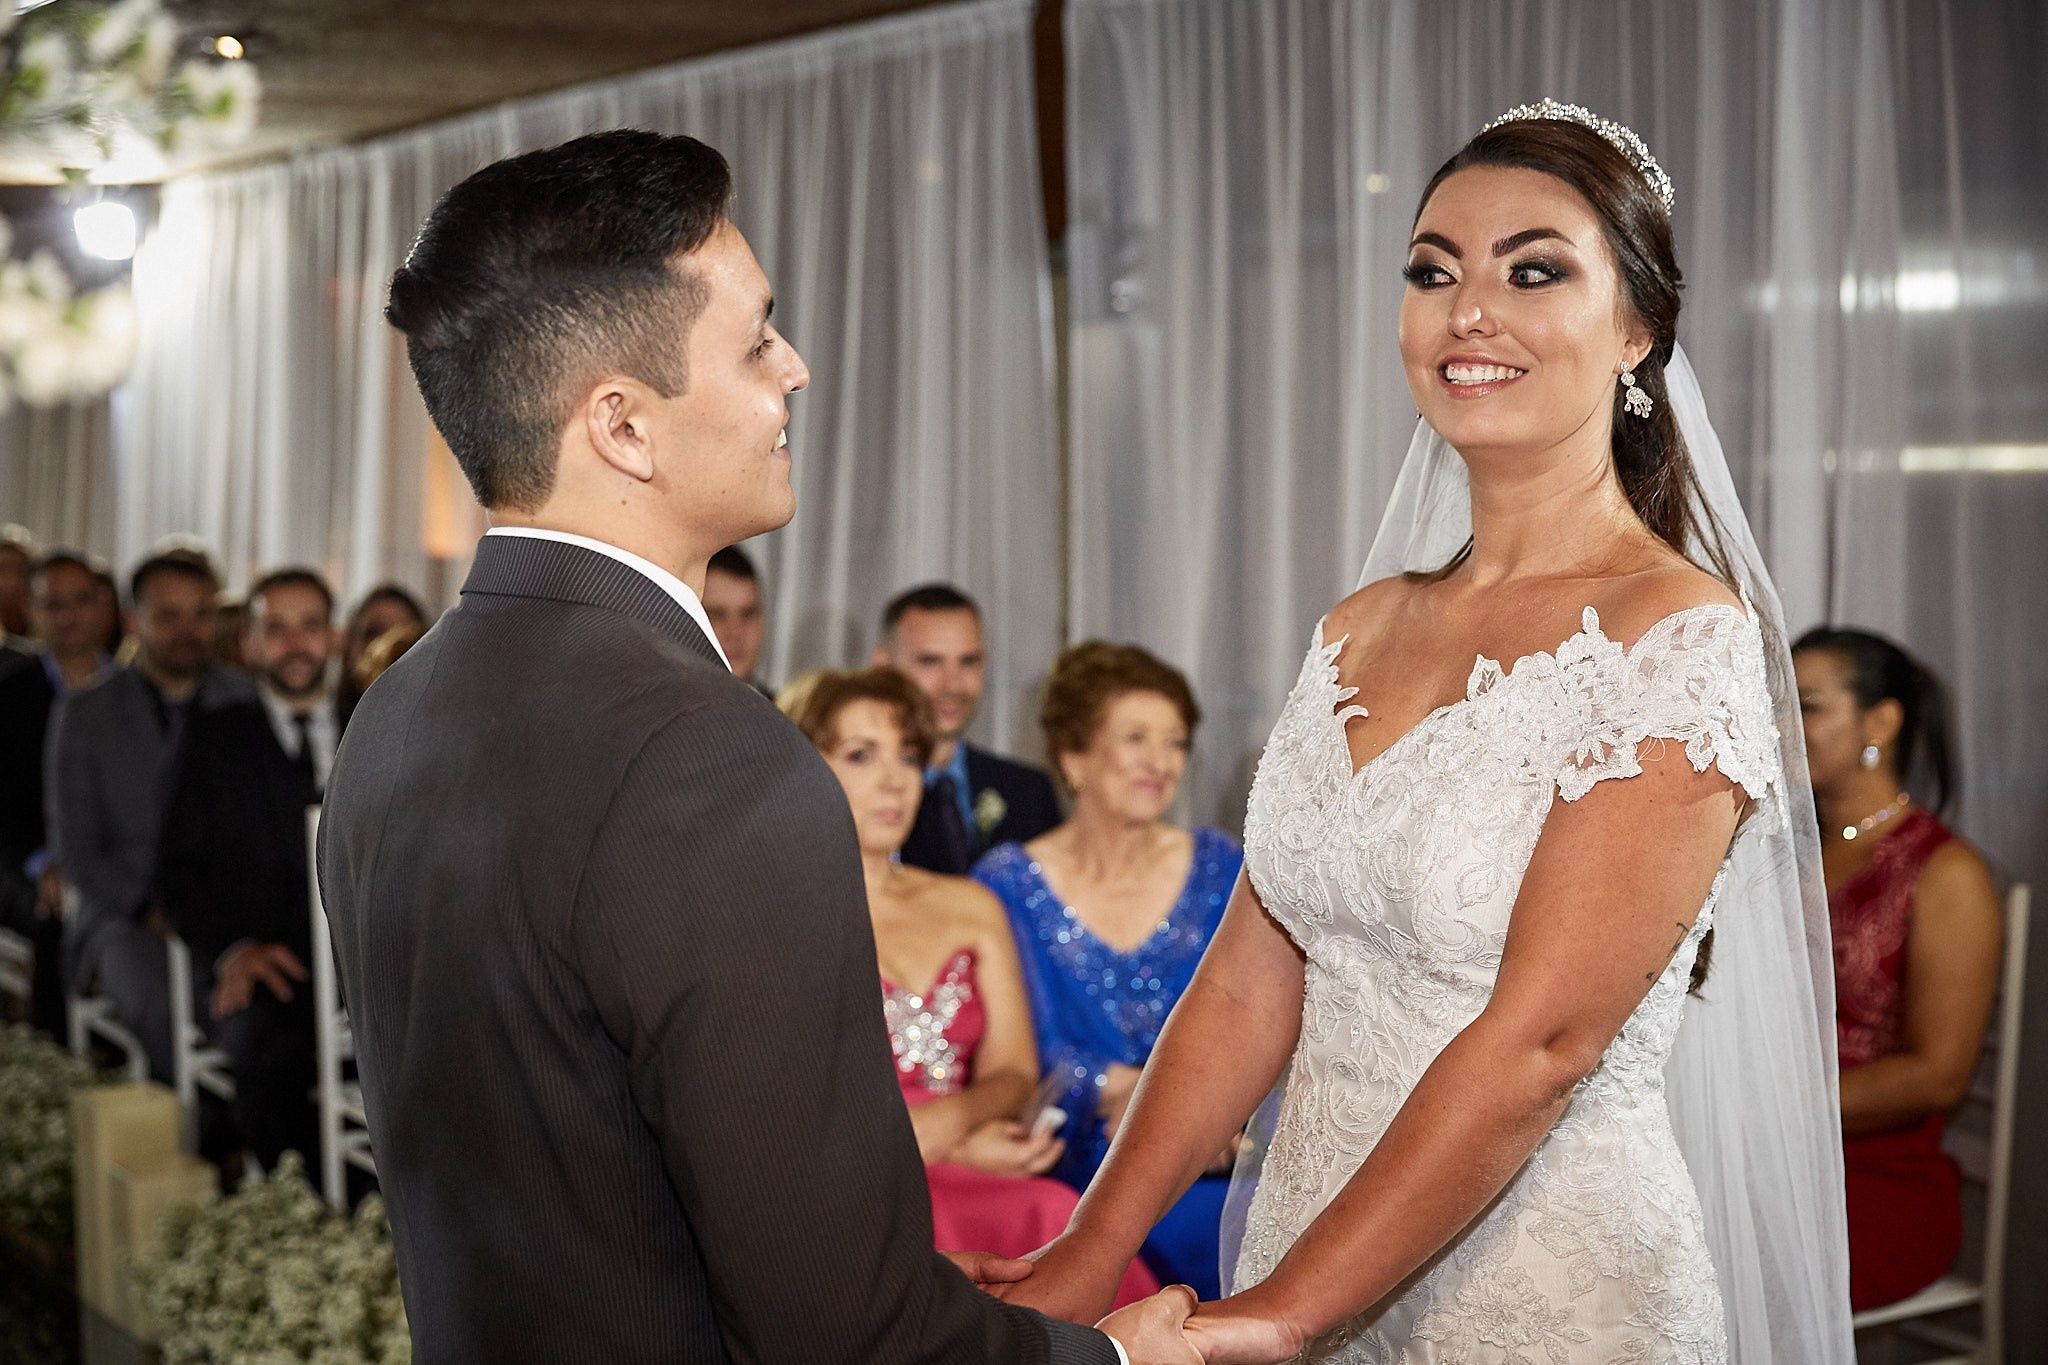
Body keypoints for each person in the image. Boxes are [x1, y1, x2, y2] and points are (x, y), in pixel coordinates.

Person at [1003, 104, 1854, 1364]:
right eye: (1431, 270)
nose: (1468, 310)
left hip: (1541, 1291)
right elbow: (1248, 977)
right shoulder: (1357, 628)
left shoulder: (1676, 640)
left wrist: (1280, 1318)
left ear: (1636, 330)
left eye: (1534, 269)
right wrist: (1081, 1255)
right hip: (1304, 1237)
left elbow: (1543, 1042)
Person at [318, 130, 1181, 1361]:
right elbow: (849, 1337)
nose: (797, 370)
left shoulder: (399, 711)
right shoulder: (709, 761)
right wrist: (1112, 1357)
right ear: (623, 427)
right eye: (756, 337)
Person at [782, 665, 1159, 1307]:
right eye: (860, 755)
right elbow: (778, 1093)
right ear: (803, 765)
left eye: (906, 755)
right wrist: (920, 1144)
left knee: (1057, 1218)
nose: (893, 779)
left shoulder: (969, 905)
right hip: (839, 1175)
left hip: (967, 1156)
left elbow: (1014, 1072)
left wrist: (951, 1128)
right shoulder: (773, 911)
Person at [974, 642, 1241, 1299]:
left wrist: (1208, 1118)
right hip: (1074, 1159)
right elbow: (1019, 1049)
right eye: (1135, 737)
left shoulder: (1224, 868)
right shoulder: (1006, 881)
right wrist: (1117, 1087)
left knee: (1254, 1223)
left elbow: (1261, 1022)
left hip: (1213, 1155)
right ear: (1074, 756)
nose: (1160, 760)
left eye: (1175, 742)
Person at [1792, 628, 2000, 1311]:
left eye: (1807, 704)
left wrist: (1778, 1111)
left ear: (1879, 721)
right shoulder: (1781, 856)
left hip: (1878, 1179)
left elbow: (1939, 1074)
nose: (1781, 724)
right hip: (1772, 1157)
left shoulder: (1947, 873)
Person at [158, 567, 344, 1176]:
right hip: (269, 971)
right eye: (277, 628)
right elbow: (176, 872)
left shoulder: (379, 722)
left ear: (334, 637)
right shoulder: (211, 739)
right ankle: (299, 1222)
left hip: (371, 969)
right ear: (250, 645)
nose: (295, 643)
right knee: (268, 1063)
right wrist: (234, 950)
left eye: (310, 625)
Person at [47, 549, 254, 1081]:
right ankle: (200, 1129)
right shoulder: (85, 713)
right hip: (125, 913)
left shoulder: (243, 698)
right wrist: (147, 908)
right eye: (169, 615)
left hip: (222, 906)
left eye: (201, 614)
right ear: (134, 621)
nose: (188, 630)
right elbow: (76, 850)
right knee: (157, 1000)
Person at [0, 550, 115, 1035]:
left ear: (103, 606)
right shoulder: (9, 697)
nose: (70, 616)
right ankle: (61, 1059)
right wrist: (42, 862)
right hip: (23, 858)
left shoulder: (136, 691)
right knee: (57, 918)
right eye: (54, 604)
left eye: (81, 601)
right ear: (31, 611)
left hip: (118, 857)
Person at [876, 584, 1062, 875]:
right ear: (883, 668)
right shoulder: (863, 790)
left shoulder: (1029, 791)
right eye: (930, 661)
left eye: (968, 662)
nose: (952, 685)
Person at [335, 583, 428, 717]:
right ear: (349, 645)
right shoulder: (321, 728)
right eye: (372, 634)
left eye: (401, 641)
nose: (384, 650)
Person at [703, 543, 770, 693]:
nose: (735, 633)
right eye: (716, 615)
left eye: (748, 614)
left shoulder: (787, 714)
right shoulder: (653, 712)